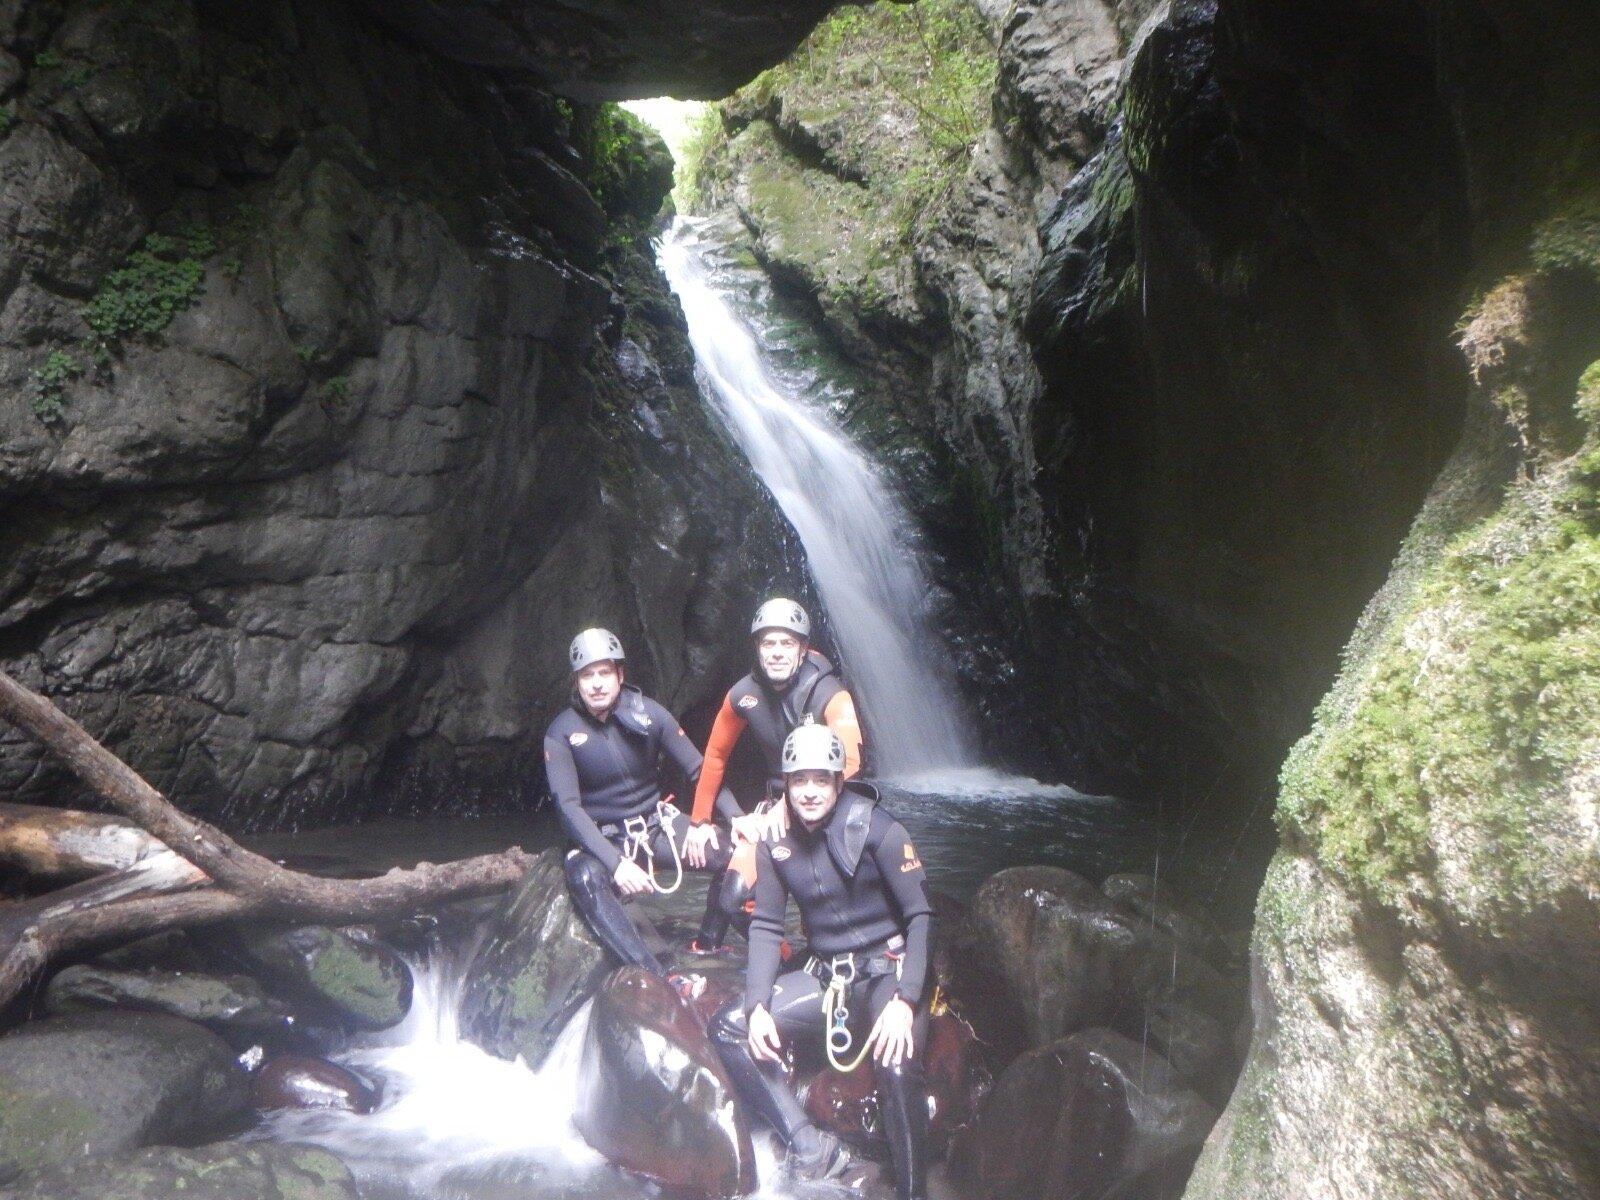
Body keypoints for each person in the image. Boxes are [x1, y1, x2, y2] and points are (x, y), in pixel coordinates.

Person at [710, 724, 933, 1199]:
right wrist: (756, 1006)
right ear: (786, 784)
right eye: (799, 780)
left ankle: (915, 1192)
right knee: (728, 1027)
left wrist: (906, 1000)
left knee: (896, 1065)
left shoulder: (879, 830)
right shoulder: (775, 842)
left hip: (886, 971)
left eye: (820, 779)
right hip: (828, 976)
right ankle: (811, 1149)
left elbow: (921, 917)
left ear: (838, 781)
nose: (809, 791)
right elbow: (767, 926)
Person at [544, 628, 741, 976]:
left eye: (604, 672)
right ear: (576, 682)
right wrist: (616, 864)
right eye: (587, 675)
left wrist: (730, 817)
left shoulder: (649, 714)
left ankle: (707, 945)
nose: (597, 684)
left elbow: (700, 770)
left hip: (654, 827)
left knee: (735, 857)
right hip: (603, 839)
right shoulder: (561, 732)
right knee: (585, 877)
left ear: (620, 675)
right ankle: (654, 975)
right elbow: (567, 807)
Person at [684, 598, 864, 954]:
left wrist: (789, 806)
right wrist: (700, 820)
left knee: (826, 917)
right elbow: (716, 756)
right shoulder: (743, 694)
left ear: (802, 649)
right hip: (776, 809)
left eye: (786, 643)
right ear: (757, 648)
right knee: (733, 898)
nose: (777, 652)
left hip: (829, 805)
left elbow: (853, 763)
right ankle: (784, 959)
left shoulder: (830, 693)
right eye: (768, 643)